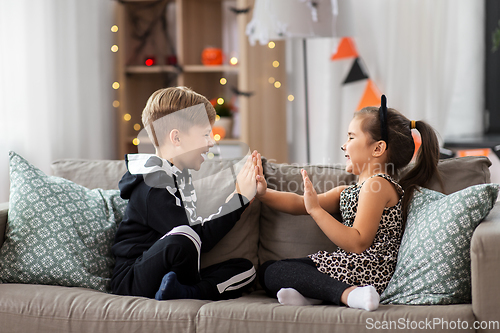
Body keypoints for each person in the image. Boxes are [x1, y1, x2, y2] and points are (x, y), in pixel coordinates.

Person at [254, 95, 441, 311]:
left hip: (369, 271)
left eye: (351, 138)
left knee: (274, 271)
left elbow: (358, 242)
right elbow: (300, 203)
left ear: (378, 149)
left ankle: (349, 295)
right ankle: (320, 293)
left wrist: (316, 211)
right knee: (269, 269)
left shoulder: (377, 186)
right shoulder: (351, 191)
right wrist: (263, 193)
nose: (344, 146)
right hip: (351, 268)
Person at [111, 86, 257, 301]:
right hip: (133, 279)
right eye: (205, 134)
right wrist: (239, 199)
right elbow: (197, 238)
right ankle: (187, 290)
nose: (211, 142)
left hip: (170, 270)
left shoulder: (179, 178)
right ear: (176, 138)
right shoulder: (151, 186)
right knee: (185, 237)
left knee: (245, 269)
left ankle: (186, 291)